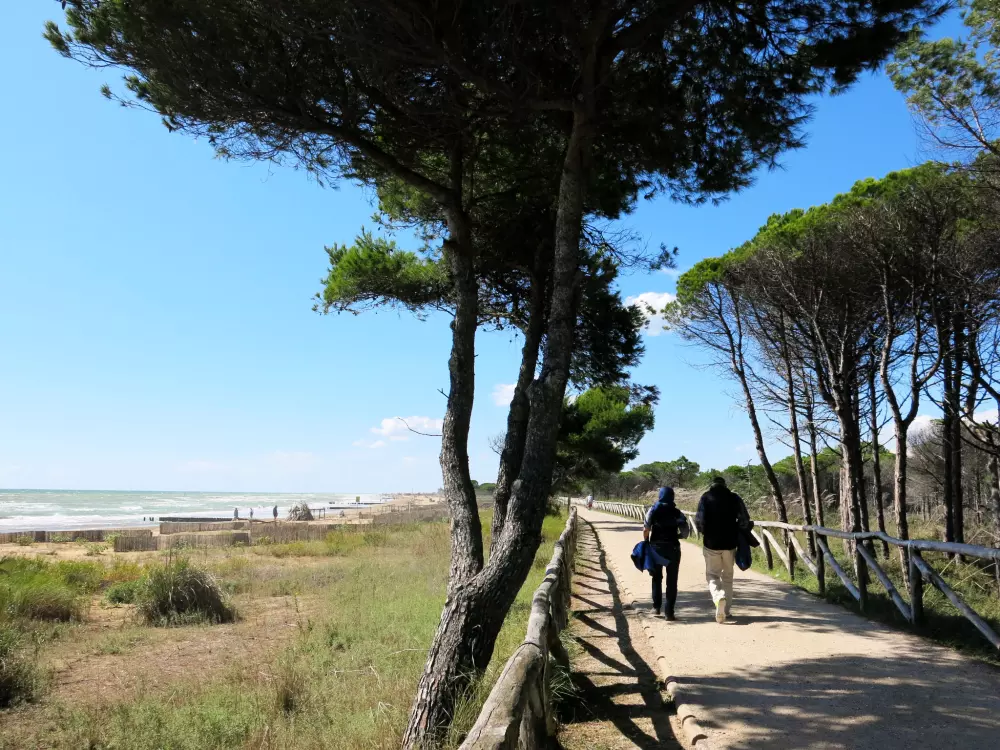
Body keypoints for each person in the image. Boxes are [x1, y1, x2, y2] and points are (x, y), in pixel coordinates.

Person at [694, 477, 751, 623]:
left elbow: (699, 520)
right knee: (728, 577)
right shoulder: (734, 498)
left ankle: (718, 597)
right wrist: (739, 531)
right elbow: (744, 519)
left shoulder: (706, 497)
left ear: (712, 485)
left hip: (711, 543)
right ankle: (726, 611)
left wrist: (705, 532)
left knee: (712, 575)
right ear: (725, 485)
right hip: (730, 543)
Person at [643, 487, 689, 620]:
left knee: (656, 578)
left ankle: (656, 607)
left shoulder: (653, 510)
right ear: (672, 496)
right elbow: (686, 532)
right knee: (672, 580)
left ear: (660, 496)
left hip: (656, 548)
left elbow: (646, 528)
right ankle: (669, 612)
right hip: (673, 548)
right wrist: (677, 536)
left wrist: (646, 541)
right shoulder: (677, 512)